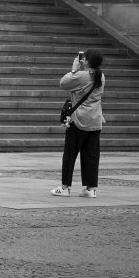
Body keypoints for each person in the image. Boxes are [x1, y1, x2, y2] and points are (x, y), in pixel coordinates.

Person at [52, 49, 105, 198]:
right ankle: (90, 188)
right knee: (91, 156)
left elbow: (63, 83)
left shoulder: (82, 76)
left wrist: (74, 69)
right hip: (95, 120)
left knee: (70, 154)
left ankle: (65, 187)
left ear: (86, 61)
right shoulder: (101, 76)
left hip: (79, 120)